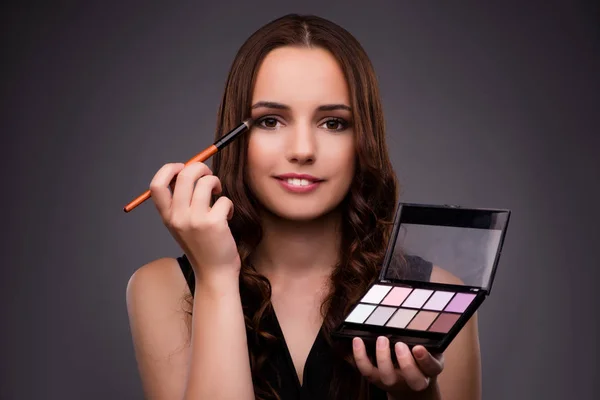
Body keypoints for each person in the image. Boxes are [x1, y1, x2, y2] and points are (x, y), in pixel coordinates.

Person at [126, 13, 481, 400]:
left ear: (365, 138)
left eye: (332, 123)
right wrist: (215, 277)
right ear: (235, 136)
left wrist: (417, 398)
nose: (302, 151)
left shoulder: (436, 294)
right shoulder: (161, 288)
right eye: (271, 121)